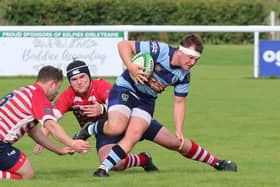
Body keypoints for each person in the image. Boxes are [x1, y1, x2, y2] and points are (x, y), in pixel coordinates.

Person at [88, 34, 238, 177]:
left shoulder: (184, 75)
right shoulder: (159, 50)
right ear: (180, 52)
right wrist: (130, 66)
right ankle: (93, 131)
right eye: (191, 58)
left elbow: (179, 102)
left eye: (196, 60)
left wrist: (179, 130)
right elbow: (123, 45)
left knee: (172, 142)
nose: (192, 63)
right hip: (126, 90)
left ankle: (217, 163)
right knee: (116, 127)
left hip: (145, 102)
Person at [33, 60, 158, 172]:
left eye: (82, 77)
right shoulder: (68, 95)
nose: (79, 82)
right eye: (74, 79)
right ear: (70, 82)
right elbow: (50, 119)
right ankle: (144, 159)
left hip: (129, 120)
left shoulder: (101, 86)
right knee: (114, 163)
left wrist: (102, 108)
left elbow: (118, 105)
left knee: (174, 143)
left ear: (89, 76)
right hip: (104, 131)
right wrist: (42, 139)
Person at [0, 65, 91, 180]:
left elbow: (34, 132)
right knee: (27, 175)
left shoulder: (25, 90)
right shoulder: (39, 96)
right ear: (52, 84)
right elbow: (51, 125)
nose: (57, 92)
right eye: (57, 88)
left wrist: (59, 150)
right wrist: (72, 143)